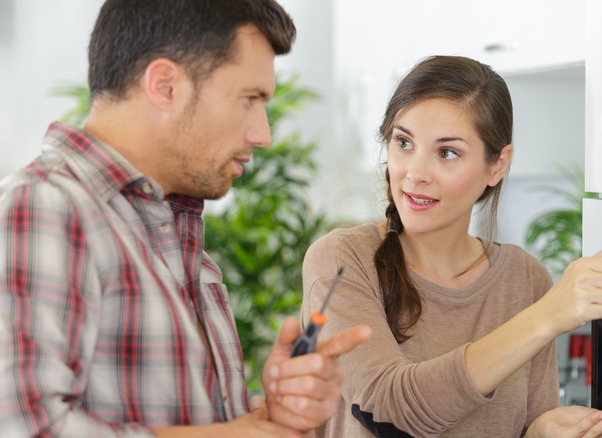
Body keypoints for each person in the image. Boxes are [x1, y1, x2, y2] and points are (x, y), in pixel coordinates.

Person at [0, 1, 371, 437]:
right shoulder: (44, 205)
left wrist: (266, 418)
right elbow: (22, 426)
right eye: (249, 99)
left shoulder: (176, 237)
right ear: (165, 86)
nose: (263, 134)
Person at [301, 55, 602, 437]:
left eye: (447, 152)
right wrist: (548, 315)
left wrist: (540, 432)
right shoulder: (342, 261)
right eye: (404, 142)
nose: (415, 173)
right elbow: (387, 410)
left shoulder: (525, 279)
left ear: (497, 165)